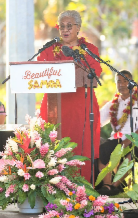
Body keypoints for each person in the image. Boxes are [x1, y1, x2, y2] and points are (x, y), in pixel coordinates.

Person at [37, 10, 102, 182]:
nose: (65, 30)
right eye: (62, 26)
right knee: (52, 147)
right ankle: (52, 186)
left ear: (78, 28)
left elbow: (96, 71)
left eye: (69, 26)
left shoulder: (89, 50)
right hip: (54, 107)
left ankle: (82, 189)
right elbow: (39, 71)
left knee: (81, 148)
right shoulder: (49, 49)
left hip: (81, 107)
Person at [97, 70, 138, 195]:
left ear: (132, 83)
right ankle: (107, 186)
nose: (122, 84)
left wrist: (129, 140)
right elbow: (97, 121)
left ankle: (116, 185)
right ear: (116, 84)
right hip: (118, 139)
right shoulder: (113, 103)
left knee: (130, 151)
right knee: (101, 149)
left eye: (125, 80)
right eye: (119, 81)